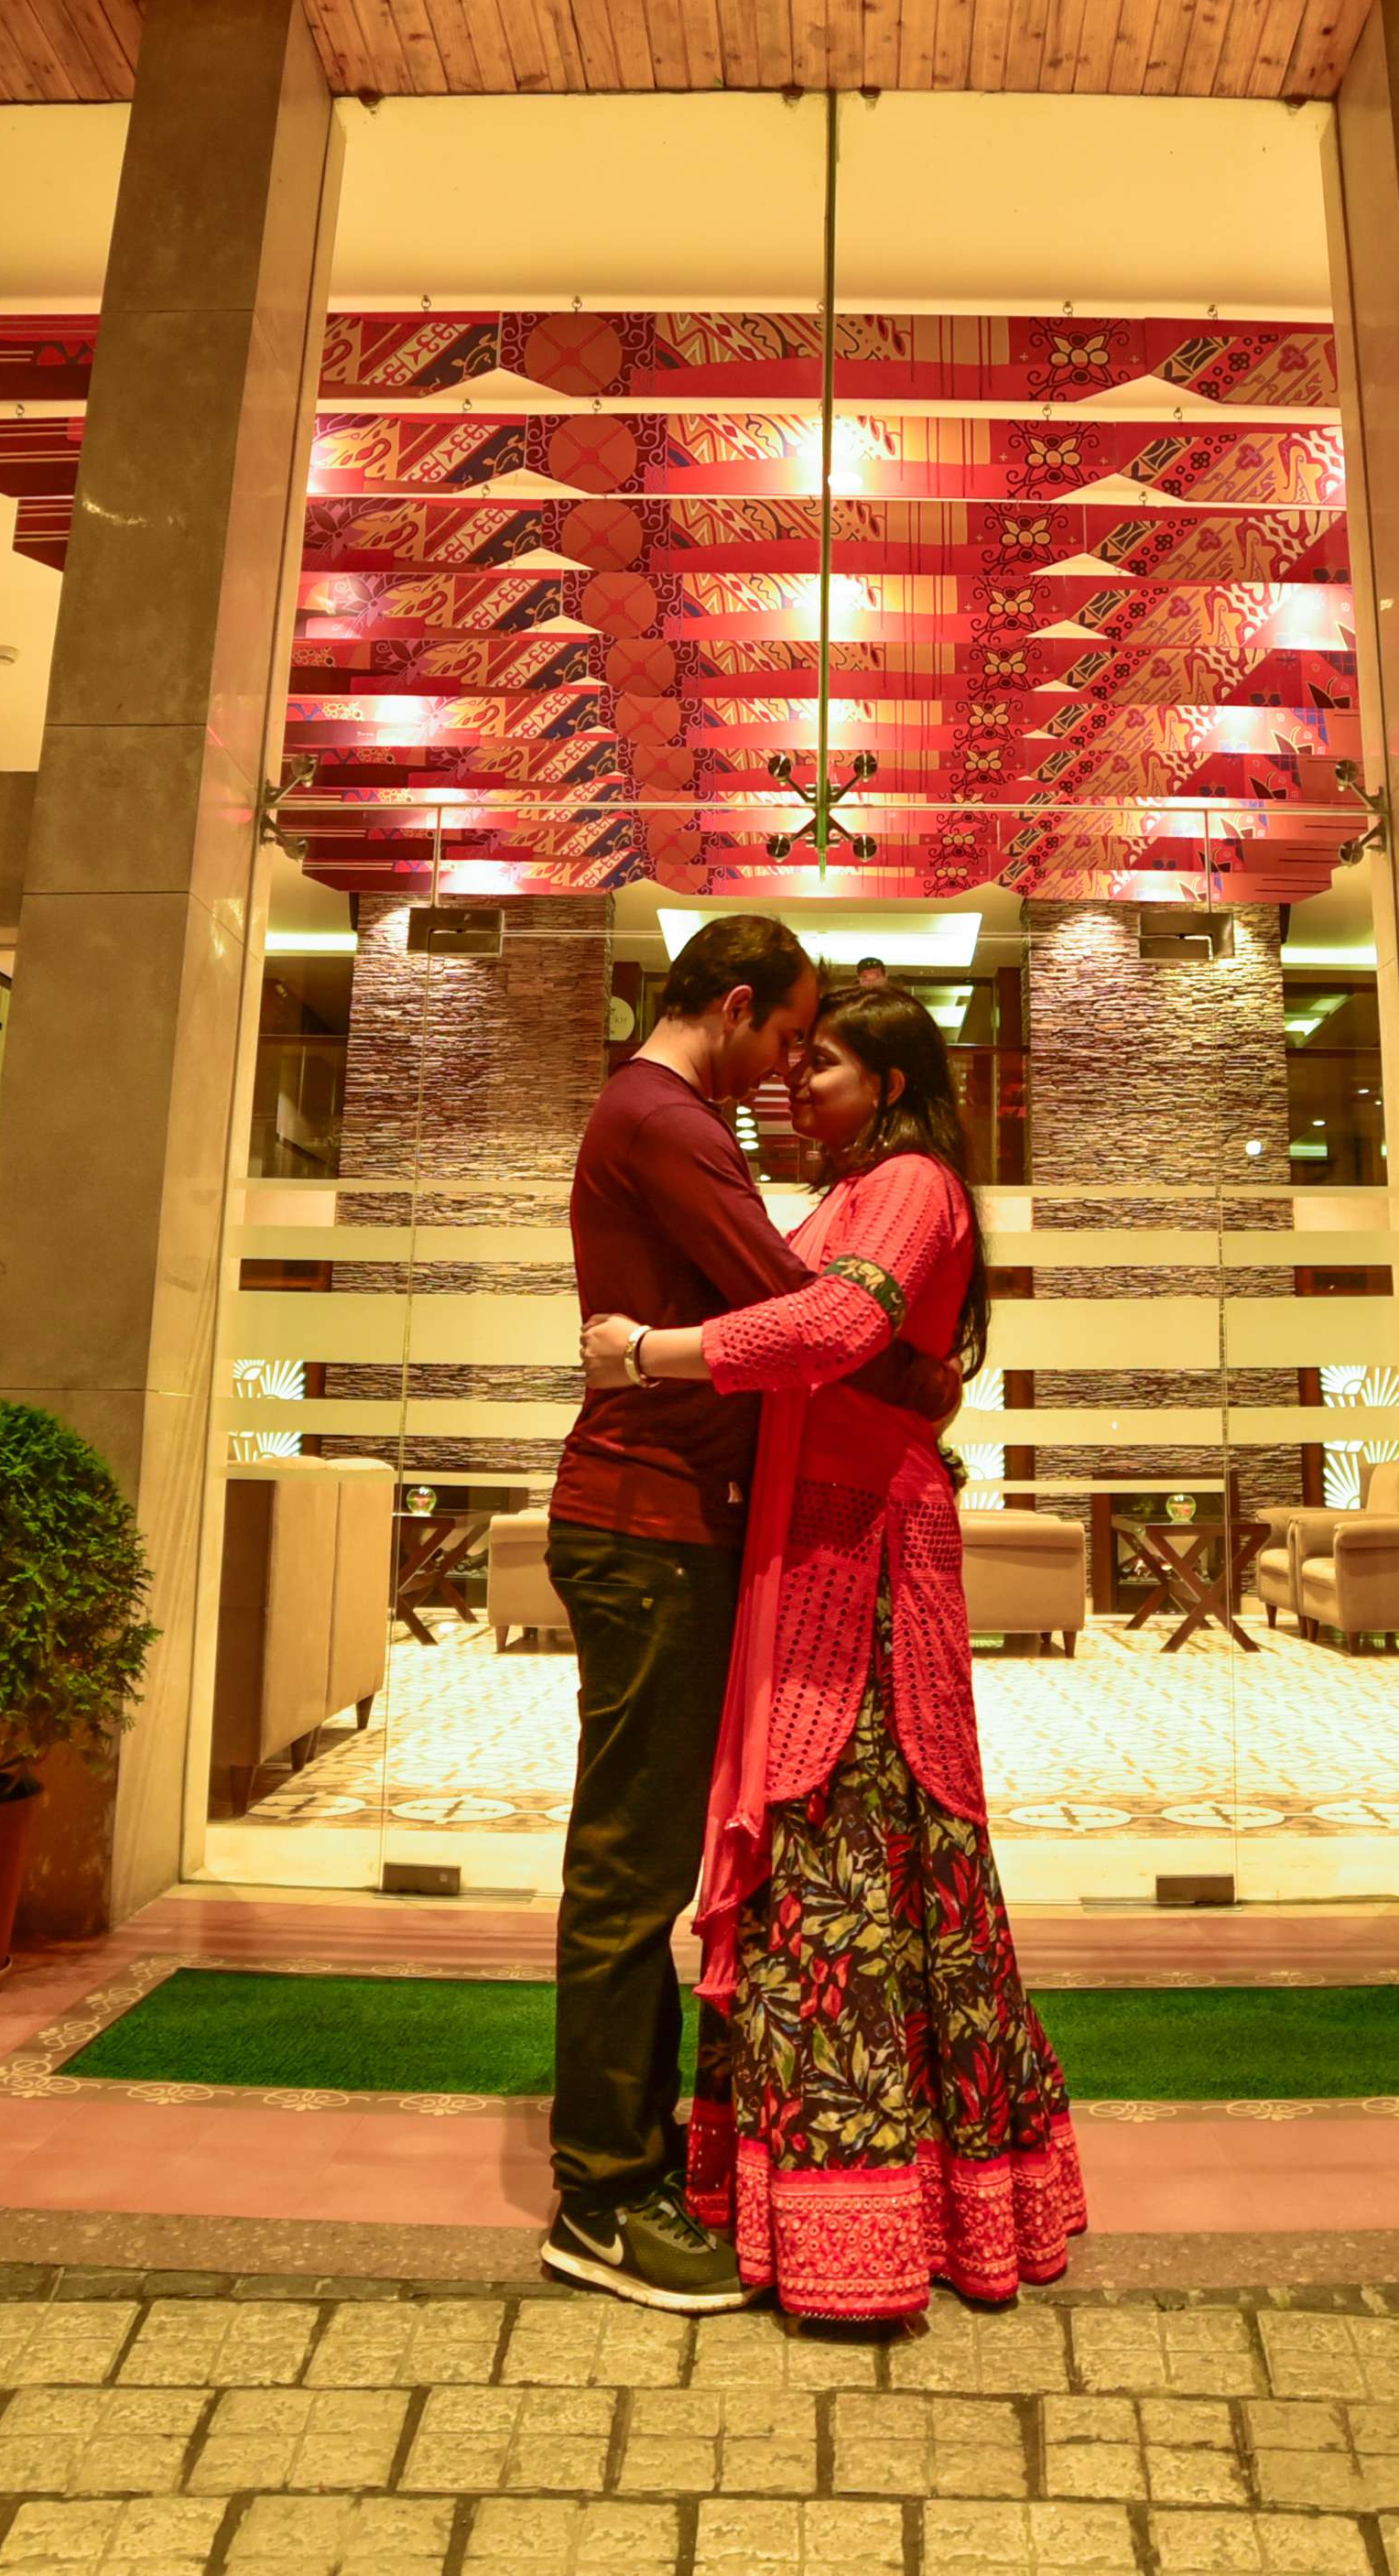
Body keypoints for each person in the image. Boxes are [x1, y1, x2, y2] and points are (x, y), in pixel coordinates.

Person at [584, 983, 1085, 2319]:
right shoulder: (846, 1199)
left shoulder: (914, 1183)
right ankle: (799, 2215)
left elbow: (830, 1331)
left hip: (863, 1572)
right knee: (814, 1867)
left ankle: (878, 2230)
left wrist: (646, 1352)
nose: (797, 1087)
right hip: (805, 1562)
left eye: (826, 1068)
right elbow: (838, 1335)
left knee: (868, 1869)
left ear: (898, 1089)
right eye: (793, 1063)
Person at [536, 915, 953, 2313]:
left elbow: (793, 1309)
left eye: (813, 1055)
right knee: (631, 1866)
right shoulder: (665, 1117)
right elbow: (797, 1306)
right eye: (787, 1035)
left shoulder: (667, 1117)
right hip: (643, 1523)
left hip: (668, 1526)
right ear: (732, 1003)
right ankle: (600, 2197)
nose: (787, 1071)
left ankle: (637, 2157)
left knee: (649, 1858)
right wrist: (916, 1386)